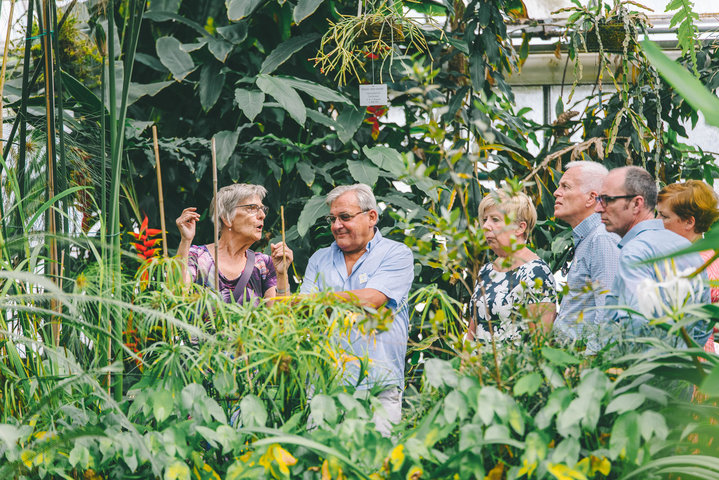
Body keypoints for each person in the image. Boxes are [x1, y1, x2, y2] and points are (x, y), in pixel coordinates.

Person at [299, 184, 414, 436]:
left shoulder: (396, 254)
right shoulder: (319, 258)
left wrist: (323, 301)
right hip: (324, 387)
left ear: (371, 217)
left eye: (345, 217)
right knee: (320, 468)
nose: (336, 225)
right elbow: (304, 311)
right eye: (333, 219)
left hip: (378, 388)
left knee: (376, 468)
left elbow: (372, 299)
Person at [595, 166, 710, 346]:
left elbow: (636, 324)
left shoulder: (636, 251)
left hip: (644, 370)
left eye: (607, 200)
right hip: (683, 369)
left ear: (636, 204)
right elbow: (703, 324)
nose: (598, 208)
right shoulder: (685, 248)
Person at [175, 183, 293, 305]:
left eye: (263, 209)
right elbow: (175, 297)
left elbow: (280, 320)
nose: (262, 215)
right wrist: (186, 241)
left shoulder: (264, 265)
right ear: (226, 218)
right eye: (252, 208)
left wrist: (281, 275)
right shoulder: (196, 257)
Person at [468, 190, 556, 344]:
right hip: (478, 367)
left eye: (495, 219)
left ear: (520, 228)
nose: (486, 226)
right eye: (485, 219)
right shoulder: (487, 271)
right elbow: (472, 333)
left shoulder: (536, 273)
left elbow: (541, 342)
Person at [552, 161, 620, 354]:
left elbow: (609, 309)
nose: (557, 192)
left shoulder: (602, 238)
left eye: (566, 187)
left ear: (592, 198)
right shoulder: (588, 238)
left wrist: (591, 361)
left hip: (585, 363)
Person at [657, 180, 719, 353]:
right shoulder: (710, 257)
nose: (656, 221)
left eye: (664, 216)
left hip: (687, 362)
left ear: (689, 222)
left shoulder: (699, 264)